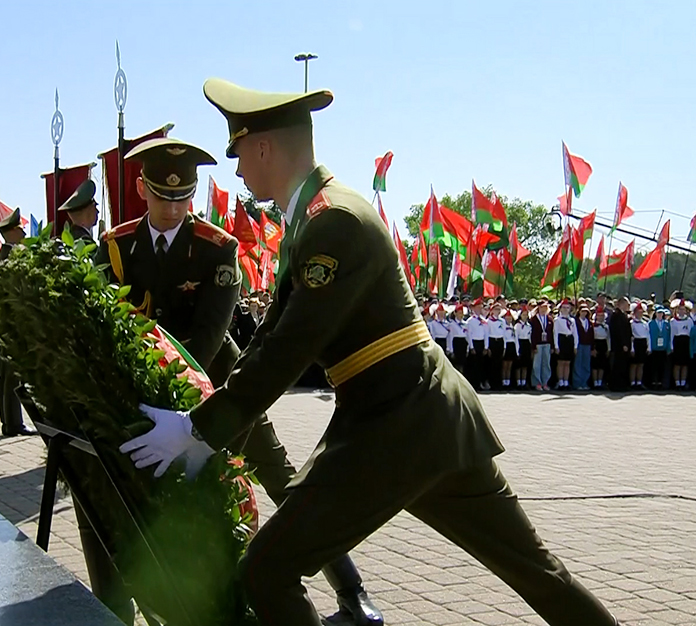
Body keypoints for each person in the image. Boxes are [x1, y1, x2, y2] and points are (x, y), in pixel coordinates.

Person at [120, 77, 618, 626]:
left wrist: (197, 430)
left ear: (264, 147)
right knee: (534, 571)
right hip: (423, 417)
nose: (237, 170)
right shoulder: (315, 220)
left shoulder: (334, 222)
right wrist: (209, 433)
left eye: (239, 153)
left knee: (269, 568)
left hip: (397, 420)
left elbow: (286, 350)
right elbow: (267, 343)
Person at [96, 136, 383, 625]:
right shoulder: (116, 247)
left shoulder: (217, 248)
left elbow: (207, 337)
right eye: (163, 197)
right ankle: (125, 601)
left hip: (222, 386)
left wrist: (181, 406)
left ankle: (351, 588)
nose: (173, 208)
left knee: (282, 479)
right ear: (142, 189)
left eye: (183, 197)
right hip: (143, 394)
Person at [0, 207, 36, 437]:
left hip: (8, 321)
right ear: (12, 231)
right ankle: (13, 423)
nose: (25, 234)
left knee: (8, 375)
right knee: (13, 375)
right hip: (13, 322)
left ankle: (10, 421)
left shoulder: (4, 255)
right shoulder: (10, 256)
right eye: (21, 229)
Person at [58, 179, 100, 244]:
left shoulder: (69, 238)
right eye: (95, 207)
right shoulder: (85, 241)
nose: (98, 211)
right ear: (88, 212)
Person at [608, 297, 632, 391]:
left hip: (622, 345)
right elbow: (619, 331)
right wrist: (624, 344)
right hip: (619, 345)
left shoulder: (623, 315)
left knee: (622, 365)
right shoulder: (617, 315)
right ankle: (616, 385)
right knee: (618, 366)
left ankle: (622, 384)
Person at [529, 300, 553, 391]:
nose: (543, 309)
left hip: (547, 344)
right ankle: (537, 382)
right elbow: (532, 334)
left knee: (546, 364)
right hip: (538, 344)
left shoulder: (549, 319)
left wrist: (552, 346)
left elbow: (551, 333)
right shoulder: (533, 319)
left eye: (545, 307)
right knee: (537, 364)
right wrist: (533, 346)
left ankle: (545, 382)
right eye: (542, 307)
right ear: (538, 308)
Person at [465, 298, 489, 390]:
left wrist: (486, 347)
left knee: (481, 365)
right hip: (474, 343)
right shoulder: (470, 321)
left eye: (480, 307)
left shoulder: (484, 321)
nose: (479, 309)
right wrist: (471, 347)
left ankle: (479, 383)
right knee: (473, 365)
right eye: (477, 307)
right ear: (474, 309)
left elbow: (486, 334)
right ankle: (473, 384)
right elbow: (469, 335)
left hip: (481, 343)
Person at [669, 298, 692, 389]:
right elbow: (672, 334)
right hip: (677, 341)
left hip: (686, 342)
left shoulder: (689, 321)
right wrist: (671, 346)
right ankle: (677, 383)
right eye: (680, 309)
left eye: (683, 309)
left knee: (685, 364)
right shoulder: (673, 321)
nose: (681, 311)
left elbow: (690, 333)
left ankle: (683, 382)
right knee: (677, 364)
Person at [648, 306, 670, 390]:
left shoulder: (666, 323)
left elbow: (669, 336)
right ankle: (654, 382)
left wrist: (668, 348)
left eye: (661, 313)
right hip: (654, 348)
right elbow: (648, 336)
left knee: (662, 366)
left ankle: (661, 382)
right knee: (654, 366)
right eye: (658, 313)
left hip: (663, 348)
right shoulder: (651, 323)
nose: (660, 315)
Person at [629, 302, 650, 389]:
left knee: (641, 364)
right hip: (635, 343)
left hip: (643, 343)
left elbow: (648, 336)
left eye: (641, 312)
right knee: (634, 365)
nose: (640, 314)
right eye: (638, 312)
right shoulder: (631, 323)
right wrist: (632, 349)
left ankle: (639, 382)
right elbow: (631, 337)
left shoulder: (645, 323)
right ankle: (632, 382)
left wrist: (649, 347)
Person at [573, 304, 594, 390]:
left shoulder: (589, 322)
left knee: (586, 364)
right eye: (582, 311)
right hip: (579, 344)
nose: (584, 313)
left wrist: (592, 347)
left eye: (586, 311)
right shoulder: (575, 321)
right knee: (578, 364)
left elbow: (592, 335)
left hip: (587, 345)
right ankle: (577, 383)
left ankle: (584, 382)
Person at [486, 302, 505, 390]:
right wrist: (488, 347)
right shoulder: (488, 321)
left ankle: (498, 383)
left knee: (499, 363)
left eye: (499, 309)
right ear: (492, 310)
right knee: (492, 364)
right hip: (492, 340)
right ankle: (492, 383)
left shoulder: (502, 321)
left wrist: (504, 346)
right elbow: (487, 333)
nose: (498, 311)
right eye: (496, 309)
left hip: (500, 341)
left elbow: (504, 333)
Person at [514, 307, 532, 389]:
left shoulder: (529, 326)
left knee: (525, 365)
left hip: (526, 344)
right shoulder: (517, 326)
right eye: (523, 315)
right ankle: (518, 382)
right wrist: (517, 350)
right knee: (519, 365)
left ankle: (524, 382)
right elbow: (516, 338)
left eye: (526, 315)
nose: (525, 316)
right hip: (520, 343)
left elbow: (530, 337)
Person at [591, 308, 610, 389]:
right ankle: (595, 382)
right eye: (599, 316)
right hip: (596, 343)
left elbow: (608, 338)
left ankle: (600, 381)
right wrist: (593, 348)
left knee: (602, 364)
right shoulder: (593, 326)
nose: (601, 317)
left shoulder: (606, 326)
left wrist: (608, 348)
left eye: (602, 316)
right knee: (595, 365)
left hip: (604, 344)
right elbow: (591, 338)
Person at [446, 303, 467, 373]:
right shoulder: (452, 324)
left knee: (462, 364)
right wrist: (451, 350)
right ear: (455, 313)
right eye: (459, 313)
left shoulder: (465, 323)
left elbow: (467, 335)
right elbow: (450, 337)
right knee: (456, 365)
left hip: (463, 343)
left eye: (462, 313)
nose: (461, 315)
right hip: (456, 343)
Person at [501, 308, 518, 389]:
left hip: (512, 345)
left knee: (510, 365)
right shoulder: (503, 327)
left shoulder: (513, 327)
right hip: (506, 345)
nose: (509, 319)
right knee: (505, 365)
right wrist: (504, 347)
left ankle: (508, 382)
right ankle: (504, 381)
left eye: (510, 318)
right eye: (507, 317)